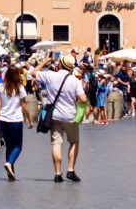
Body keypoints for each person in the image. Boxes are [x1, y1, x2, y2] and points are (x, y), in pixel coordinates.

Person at [31, 53, 87, 183]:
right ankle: (71, 170)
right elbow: (83, 99)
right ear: (71, 68)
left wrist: (45, 61)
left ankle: (57, 173)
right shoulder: (75, 80)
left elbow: (33, 72)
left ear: (60, 64)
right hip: (69, 116)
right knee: (74, 142)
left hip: (54, 116)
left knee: (56, 143)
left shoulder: (51, 76)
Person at [0, 64, 33, 181]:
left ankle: (11, 173)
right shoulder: (19, 87)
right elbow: (24, 105)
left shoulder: (1, 86)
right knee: (18, 146)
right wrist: (30, 119)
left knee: (9, 147)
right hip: (15, 120)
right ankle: (9, 163)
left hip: (3, 120)